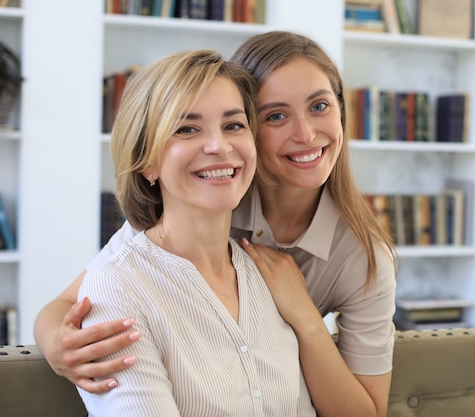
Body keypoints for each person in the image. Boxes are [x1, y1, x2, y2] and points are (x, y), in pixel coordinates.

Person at [34, 31, 397, 417]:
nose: (305, 134)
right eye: (275, 115)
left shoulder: (362, 255)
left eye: (320, 105)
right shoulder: (206, 195)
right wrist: (57, 342)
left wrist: (305, 318)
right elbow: (88, 292)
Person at [71, 48, 316, 416]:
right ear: (147, 162)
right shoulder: (117, 287)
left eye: (234, 125)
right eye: (187, 129)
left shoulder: (271, 276)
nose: (220, 146)